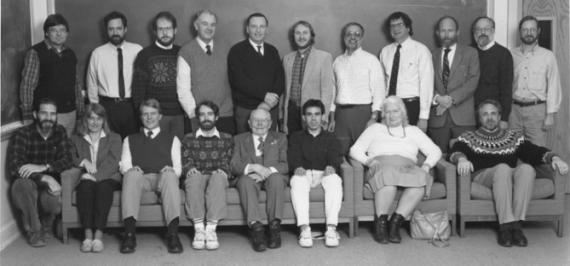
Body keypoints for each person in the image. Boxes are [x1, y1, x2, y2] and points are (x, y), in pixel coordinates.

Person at [449, 99, 568, 247]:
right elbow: (456, 150)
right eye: (485, 114)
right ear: (479, 119)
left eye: (493, 113)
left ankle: (516, 226)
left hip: (507, 174)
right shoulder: (469, 137)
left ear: (499, 117)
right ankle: (505, 227)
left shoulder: (513, 137)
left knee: (527, 169)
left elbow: (533, 151)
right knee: (503, 168)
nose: (490, 117)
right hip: (483, 175)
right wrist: (461, 159)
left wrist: (554, 158)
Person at [350, 96, 442, 244]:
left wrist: (426, 165)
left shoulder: (413, 131)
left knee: (421, 180)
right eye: (388, 112)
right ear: (383, 114)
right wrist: (368, 161)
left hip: (407, 168)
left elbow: (435, 151)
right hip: (381, 166)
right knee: (388, 180)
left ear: (403, 113)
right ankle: (380, 225)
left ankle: (395, 223)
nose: (392, 115)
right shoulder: (375, 129)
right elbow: (354, 150)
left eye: (396, 111)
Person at [119, 99, 183, 254]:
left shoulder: (172, 139)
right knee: (131, 174)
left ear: (160, 116)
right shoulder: (130, 139)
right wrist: (132, 170)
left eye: (153, 114)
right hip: (142, 179)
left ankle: (173, 234)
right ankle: (129, 234)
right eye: (145, 114)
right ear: (140, 117)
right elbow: (124, 166)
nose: (149, 118)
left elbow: (178, 168)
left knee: (170, 174)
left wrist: (171, 171)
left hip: (163, 178)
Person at [8, 98, 74, 247]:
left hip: (50, 189)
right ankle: (34, 231)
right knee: (22, 185)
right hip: (28, 185)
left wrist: (45, 167)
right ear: (35, 114)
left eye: (52, 114)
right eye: (44, 113)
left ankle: (48, 222)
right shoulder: (23, 134)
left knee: (54, 194)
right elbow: (15, 167)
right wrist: (44, 177)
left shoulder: (60, 132)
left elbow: (68, 160)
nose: (49, 118)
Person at [231, 109, 288, 252]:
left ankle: (274, 228)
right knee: (245, 181)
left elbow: (285, 165)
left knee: (276, 179)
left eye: (264, 120)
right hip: (250, 177)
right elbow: (233, 165)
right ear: (249, 123)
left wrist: (265, 172)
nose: (260, 123)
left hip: (272, 176)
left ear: (270, 123)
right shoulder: (239, 139)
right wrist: (253, 167)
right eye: (256, 120)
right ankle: (256, 230)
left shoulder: (280, 138)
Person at [288, 99, 343, 247]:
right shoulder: (296, 136)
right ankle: (305, 229)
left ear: (323, 116)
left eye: (317, 114)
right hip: (304, 174)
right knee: (297, 181)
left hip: (323, 174)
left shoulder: (331, 137)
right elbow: (293, 156)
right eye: (309, 114)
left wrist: (331, 166)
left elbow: (335, 156)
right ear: (304, 117)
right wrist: (297, 167)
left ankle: (331, 229)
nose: (313, 118)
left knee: (335, 180)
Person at [69, 103, 122, 253]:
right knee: (85, 187)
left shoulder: (114, 138)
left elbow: (113, 162)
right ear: (85, 120)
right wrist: (83, 161)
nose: (95, 122)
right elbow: (69, 156)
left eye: (99, 118)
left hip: (109, 177)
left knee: (103, 188)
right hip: (86, 177)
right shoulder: (75, 139)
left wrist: (96, 177)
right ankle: (87, 236)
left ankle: (98, 236)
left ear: (104, 120)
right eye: (91, 118)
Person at [19, 14, 84, 136]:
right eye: (54, 30)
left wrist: (80, 112)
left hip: (71, 114)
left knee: (66, 150)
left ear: (67, 33)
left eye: (62, 30)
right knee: (48, 151)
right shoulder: (36, 52)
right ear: (47, 33)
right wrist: (27, 114)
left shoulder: (70, 54)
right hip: (47, 115)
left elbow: (76, 84)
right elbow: (27, 85)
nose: (59, 34)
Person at [181, 101, 233, 250]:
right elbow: (186, 159)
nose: (206, 118)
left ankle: (210, 229)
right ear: (197, 118)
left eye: (210, 114)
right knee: (194, 177)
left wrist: (222, 169)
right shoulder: (188, 138)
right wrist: (190, 168)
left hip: (218, 176)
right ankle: (198, 229)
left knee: (218, 177)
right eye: (202, 114)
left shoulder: (227, 138)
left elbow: (229, 159)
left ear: (216, 117)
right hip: (197, 175)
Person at [329, 22, 385, 155]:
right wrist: (332, 118)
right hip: (341, 115)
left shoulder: (371, 60)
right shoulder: (337, 61)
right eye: (349, 34)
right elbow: (332, 91)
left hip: (363, 114)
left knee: (363, 154)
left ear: (362, 38)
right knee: (339, 154)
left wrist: (373, 118)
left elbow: (379, 90)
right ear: (344, 38)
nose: (352, 37)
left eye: (357, 34)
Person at [178, 9, 235, 134]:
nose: (209, 28)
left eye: (212, 24)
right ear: (196, 26)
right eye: (204, 24)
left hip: (225, 113)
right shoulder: (186, 51)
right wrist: (194, 114)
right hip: (200, 116)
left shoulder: (226, 47)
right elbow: (183, 89)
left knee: (226, 151)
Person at [87, 11, 143, 139]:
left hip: (132, 107)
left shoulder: (138, 50)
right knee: (110, 145)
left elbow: (144, 81)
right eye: (111, 29)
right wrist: (96, 110)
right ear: (106, 31)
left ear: (125, 29)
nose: (115, 32)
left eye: (119, 28)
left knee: (132, 144)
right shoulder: (98, 53)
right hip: (107, 107)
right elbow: (92, 84)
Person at [428, 16, 480, 153]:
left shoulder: (471, 53)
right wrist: (438, 99)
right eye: (443, 31)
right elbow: (424, 83)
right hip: (438, 119)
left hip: (463, 118)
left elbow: (473, 81)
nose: (446, 35)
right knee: (438, 160)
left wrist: (449, 100)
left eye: (450, 30)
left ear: (457, 32)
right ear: (437, 33)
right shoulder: (430, 55)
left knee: (465, 159)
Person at [228, 13, 285, 133]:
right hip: (246, 110)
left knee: (270, 148)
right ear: (247, 29)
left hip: (270, 109)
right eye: (254, 26)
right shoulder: (236, 51)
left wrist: (267, 104)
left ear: (266, 29)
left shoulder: (272, 50)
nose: (258, 30)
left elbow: (280, 79)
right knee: (246, 147)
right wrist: (264, 96)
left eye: (262, 26)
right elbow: (239, 81)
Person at [510, 16, 562, 147]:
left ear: (538, 31)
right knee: (513, 149)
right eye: (525, 29)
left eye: (532, 29)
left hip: (537, 111)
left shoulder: (548, 56)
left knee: (537, 152)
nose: (528, 33)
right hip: (513, 111)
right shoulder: (510, 54)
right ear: (520, 32)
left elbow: (553, 86)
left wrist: (550, 115)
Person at [132, 12, 184, 139]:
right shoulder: (145, 55)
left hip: (179, 115)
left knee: (177, 152)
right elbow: (138, 90)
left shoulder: (182, 52)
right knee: (155, 153)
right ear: (155, 31)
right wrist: (144, 116)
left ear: (175, 30)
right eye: (161, 29)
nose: (165, 33)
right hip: (155, 115)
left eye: (168, 29)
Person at [379, 12, 434, 130]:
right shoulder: (385, 52)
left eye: (399, 24)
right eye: (392, 26)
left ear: (408, 27)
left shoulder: (421, 50)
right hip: (390, 106)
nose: (395, 28)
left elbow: (427, 84)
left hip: (412, 106)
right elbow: (383, 83)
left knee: (409, 145)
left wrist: (423, 117)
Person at [280, 21, 334, 134]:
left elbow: (327, 92)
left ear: (311, 36)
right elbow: (284, 91)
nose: (301, 36)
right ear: (293, 36)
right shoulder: (287, 59)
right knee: (293, 146)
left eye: (305, 33)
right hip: (291, 112)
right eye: (297, 33)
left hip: (312, 114)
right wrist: (282, 118)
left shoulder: (324, 57)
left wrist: (323, 119)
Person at [472, 16, 513, 129]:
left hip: (493, 117)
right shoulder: (469, 52)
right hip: (470, 116)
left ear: (493, 31)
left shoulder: (504, 54)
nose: (482, 32)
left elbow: (506, 89)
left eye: (486, 29)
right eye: (479, 29)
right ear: (474, 33)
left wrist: (504, 118)